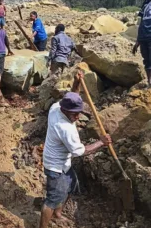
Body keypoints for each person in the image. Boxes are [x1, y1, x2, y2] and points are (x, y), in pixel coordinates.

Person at [39, 72, 111, 228]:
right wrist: (101, 142)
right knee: (52, 200)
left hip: (63, 162)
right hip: (55, 166)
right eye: (74, 114)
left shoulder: (57, 107)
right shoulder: (65, 129)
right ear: (65, 111)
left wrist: (77, 82)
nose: (78, 117)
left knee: (70, 186)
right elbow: (80, 151)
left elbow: (72, 96)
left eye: (79, 113)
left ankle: (58, 215)